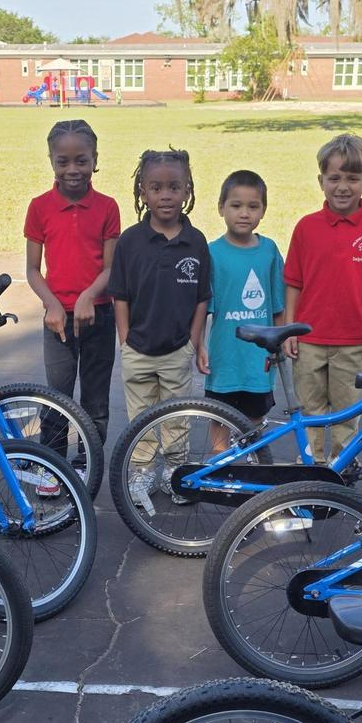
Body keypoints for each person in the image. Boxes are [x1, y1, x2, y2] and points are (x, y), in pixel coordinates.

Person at [283, 133, 362, 469]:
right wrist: (290, 328)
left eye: (352, 178)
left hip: (352, 340)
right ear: (321, 181)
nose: (342, 187)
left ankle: (342, 464)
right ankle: (313, 464)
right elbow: (293, 282)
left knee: (348, 409)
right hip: (309, 339)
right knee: (311, 407)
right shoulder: (306, 227)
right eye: (334, 178)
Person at [108, 148, 211, 504]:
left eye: (174, 187)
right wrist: (125, 340)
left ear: (187, 190)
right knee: (141, 417)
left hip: (176, 349)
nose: (165, 195)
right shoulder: (130, 241)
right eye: (156, 187)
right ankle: (141, 472)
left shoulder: (195, 242)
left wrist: (194, 342)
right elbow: (119, 295)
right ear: (142, 192)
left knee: (177, 415)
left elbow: (202, 298)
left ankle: (175, 472)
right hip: (138, 348)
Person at [25, 119, 120, 469]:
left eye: (82, 160)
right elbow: (33, 269)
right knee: (57, 397)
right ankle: (53, 465)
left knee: (95, 400)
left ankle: (86, 464)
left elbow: (111, 268)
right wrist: (52, 304)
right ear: (51, 160)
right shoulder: (39, 207)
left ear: (95, 159)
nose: (73, 169)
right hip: (57, 320)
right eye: (62, 161)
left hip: (99, 315)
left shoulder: (108, 207)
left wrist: (88, 296)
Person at [197, 170, 284, 452]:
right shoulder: (212, 252)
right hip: (225, 356)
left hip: (258, 358)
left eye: (252, 206)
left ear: (263, 210)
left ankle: (253, 460)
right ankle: (219, 462)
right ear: (221, 208)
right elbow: (203, 308)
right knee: (220, 413)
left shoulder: (269, 250)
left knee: (256, 414)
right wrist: (198, 345)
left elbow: (278, 304)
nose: (244, 213)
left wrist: (281, 342)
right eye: (236, 206)